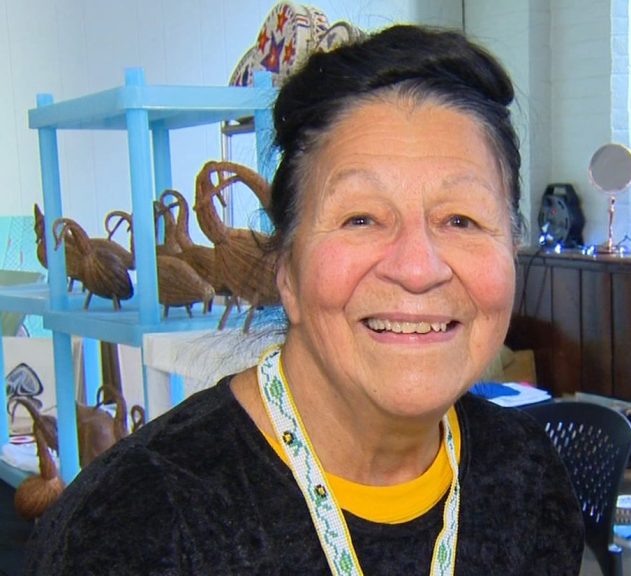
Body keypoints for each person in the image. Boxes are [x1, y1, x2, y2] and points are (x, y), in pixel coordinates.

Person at [25, 24, 584, 575]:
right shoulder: (131, 529)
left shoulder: (529, 481)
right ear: (287, 270)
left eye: (461, 219)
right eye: (360, 218)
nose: (418, 269)